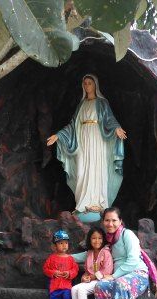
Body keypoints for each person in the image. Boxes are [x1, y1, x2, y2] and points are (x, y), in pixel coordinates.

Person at [46, 74, 127, 215]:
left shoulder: (102, 103)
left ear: (95, 85)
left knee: (97, 167)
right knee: (82, 169)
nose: (87, 86)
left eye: (89, 83)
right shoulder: (81, 104)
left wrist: (117, 128)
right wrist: (58, 135)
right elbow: (72, 125)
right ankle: (83, 204)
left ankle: (99, 203)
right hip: (82, 139)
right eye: (85, 83)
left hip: (98, 139)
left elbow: (110, 119)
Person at [72, 207, 149, 299]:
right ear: (103, 222)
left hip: (137, 274)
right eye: (107, 220)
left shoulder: (127, 235)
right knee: (100, 285)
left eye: (114, 220)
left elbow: (133, 260)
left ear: (120, 221)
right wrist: (65, 257)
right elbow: (90, 254)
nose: (110, 223)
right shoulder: (108, 240)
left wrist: (114, 275)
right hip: (118, 277)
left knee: (120, 283)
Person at [71, 227, 114, 299]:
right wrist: (84, 278)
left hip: (102, 281)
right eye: (94, 238)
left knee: (81, 290)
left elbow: (107, 271)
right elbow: (87, 271)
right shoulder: (89, 253)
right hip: (91, 281)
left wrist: (91, 278)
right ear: (89, 240)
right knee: (74, 289)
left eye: (100, 238)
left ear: (103, 239)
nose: (97, 241)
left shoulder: (106, 253)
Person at [43, 229, 79, 299]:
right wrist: (53, 272)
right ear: (54, 246)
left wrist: (69, 273)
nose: (64, 245)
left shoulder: (71, 259)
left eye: (66, 243)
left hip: (67, 288)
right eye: (61, 243)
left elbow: (75, 270)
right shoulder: (51, 258)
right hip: (54, 288)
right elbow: (45, 269)